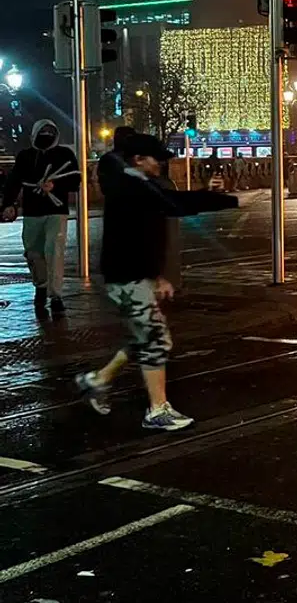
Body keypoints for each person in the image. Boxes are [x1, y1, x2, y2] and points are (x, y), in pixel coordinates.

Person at [74, 133, 238, 431]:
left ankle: (98, 380)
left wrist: (215, 196)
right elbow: (163, 214)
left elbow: (169, 206)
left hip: (129, 275)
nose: (161, 164)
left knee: (144, 336)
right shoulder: (131, 187)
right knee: (156, 340)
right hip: (128, 276)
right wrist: (154, 276)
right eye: (156, 159)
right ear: (139, 159)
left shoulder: (133, 182)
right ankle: (157, 410)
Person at [1, 119, 82, 318]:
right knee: (33, 251)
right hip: (32, 211)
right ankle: (41, 285)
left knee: (54, 250)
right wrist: (8, 204)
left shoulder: (65, 154)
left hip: (56, 210)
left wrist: (55, 186)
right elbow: (14, 181)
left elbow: (75, 180)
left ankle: (56, 296)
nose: (46, 136)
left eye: (49, 132)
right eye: (42, 132)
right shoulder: (26, 156)